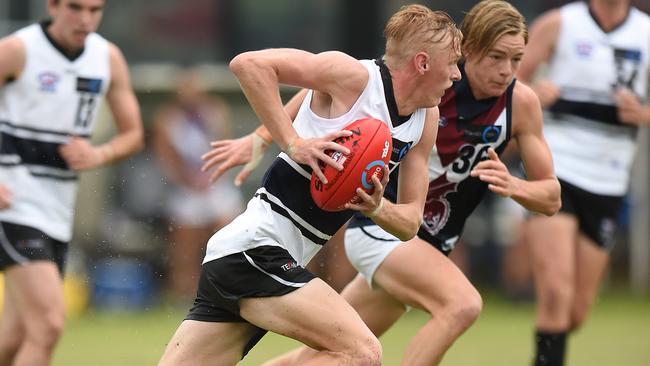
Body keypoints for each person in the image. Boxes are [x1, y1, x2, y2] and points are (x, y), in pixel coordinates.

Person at [202, 2, 560, 365]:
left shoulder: (497, 105)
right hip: (371, 233)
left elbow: (551, 198)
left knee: (322, 355)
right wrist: (270, 137)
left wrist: (515, 186)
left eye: (517, 59)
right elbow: (315, 85)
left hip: (420, 235)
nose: (508, 71)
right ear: (468, 52)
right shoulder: (425, 84)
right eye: (498, 57)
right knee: (460, 306)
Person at [158, 5, 462, 365]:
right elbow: (249, 64)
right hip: (255, 249)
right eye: (453, 63)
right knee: (361, 352)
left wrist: (377, 207)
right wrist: (292, 142)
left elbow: (410, 223)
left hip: (258, 259)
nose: (457, 75)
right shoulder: (353, 77)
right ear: (423, 63)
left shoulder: (425, 121)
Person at [0, 0, 144, 365]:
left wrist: (98, 154)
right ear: (52, 6)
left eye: (95, 10)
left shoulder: (106, 57)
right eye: (75, 8)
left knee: (17, 333)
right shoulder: (17, 50)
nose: (85, 19)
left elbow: (133, 135)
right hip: (14, 202)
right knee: (48, 324)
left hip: (57, 207)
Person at [517, 1, 650, 365]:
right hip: (556, 170)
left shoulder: (645, 31)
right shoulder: (560, 23)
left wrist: (643, 113)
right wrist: (533, 95)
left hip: (609, 179)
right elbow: (508, 79)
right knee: (556, 296)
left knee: (575, 313)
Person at [152, 68, 243, 304]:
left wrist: (212, 177)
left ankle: (232, 286)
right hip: (186, 189)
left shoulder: (216, 111)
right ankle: (185, 292)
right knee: (185, 243)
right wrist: (189, 181)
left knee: (232, 234)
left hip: (216, 183)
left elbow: (226, 145)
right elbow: (166, 158)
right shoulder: (167, 118)